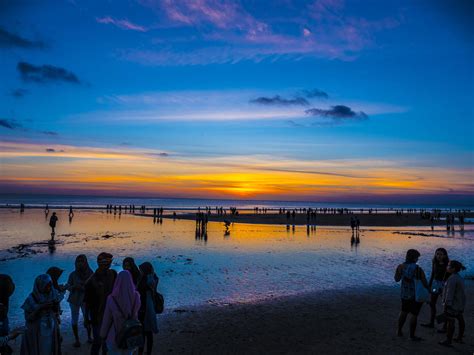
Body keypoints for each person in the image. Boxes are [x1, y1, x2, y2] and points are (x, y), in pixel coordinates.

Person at [20, 274, 63, 355]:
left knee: (50, 348)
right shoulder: (31, 299)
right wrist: (40, 308)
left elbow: (56, 312)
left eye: (50, 286)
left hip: (51, 328)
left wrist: (55, 308)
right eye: (46, 286)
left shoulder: (53, 294)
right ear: (40, 286)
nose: (49, 289)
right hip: (37, 330)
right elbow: (28, 318)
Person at [100, 271, 141, 354]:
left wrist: (102, 335)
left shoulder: (111, 298)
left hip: (115, 336)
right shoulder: (136, 296)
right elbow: (136, 316)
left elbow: (106, 320)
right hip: (131, 335)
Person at [84, 252, 117, 355]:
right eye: (106, 264)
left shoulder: (113, 274)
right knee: (98, 342)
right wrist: (86, 319)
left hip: (111, 314)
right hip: (97, 316)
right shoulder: (91, 281)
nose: (108, 266)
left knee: (107, 343)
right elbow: (87, 303)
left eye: (108, 264)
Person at [394, 249, 428, 341]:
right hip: (415, 294)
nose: (417, 260)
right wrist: (428, 290)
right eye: (417, 258)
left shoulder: (401, 266)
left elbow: (397, 279)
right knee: (414, 314)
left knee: (403, 311)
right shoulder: (418, 269)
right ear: (414, 258)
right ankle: (411, 336)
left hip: (404, 293)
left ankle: (399, 331)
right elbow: (424, 282)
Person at [67, 255, 94, 348]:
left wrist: (82, 288)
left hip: (85, 300)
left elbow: (93, 288)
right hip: (74, 300)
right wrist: (74, 287)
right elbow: (68, 287)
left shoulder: (91, 273)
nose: (80, 263)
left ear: (85, 262)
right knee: (74, 319)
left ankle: (89, 337)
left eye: (82, 261)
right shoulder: (72, 274)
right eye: (78, 261)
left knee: (88, 318)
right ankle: (77, 339)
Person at [439, 260, 466, 347]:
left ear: (453, 269)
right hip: (459, 304)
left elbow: (449, 293)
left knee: (451, 321)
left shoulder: (452, 279)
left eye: (448, 266)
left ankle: (448, 340)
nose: (447, 267)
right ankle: (459, 337)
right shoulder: (459, 277)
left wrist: (446, 305)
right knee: (460, 319)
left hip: (452, 305)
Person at [421, 248, 449, 329]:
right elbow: (433, 274)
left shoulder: (448, 264)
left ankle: (444, 326)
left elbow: (450, 276)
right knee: (432, 304)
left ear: (445, 255)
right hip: (435, 284)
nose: (439, 256)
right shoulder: (434, 262)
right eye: (437, 254)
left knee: (446, 306)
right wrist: (428, 286)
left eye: (441, 254)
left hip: (444, 285)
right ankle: (431, 323)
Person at [137, 263, 159, 355]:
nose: (140, 271)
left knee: (143, 333)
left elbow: (140, 291)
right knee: (148, 332)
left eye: (141, 270)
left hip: (145, 308)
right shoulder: (153, 278)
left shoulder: (146, 280)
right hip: (149, 307)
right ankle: (148, 352)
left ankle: (141, 352)